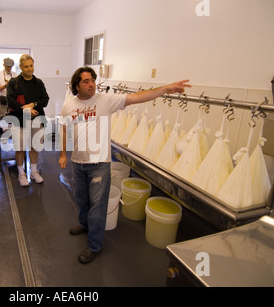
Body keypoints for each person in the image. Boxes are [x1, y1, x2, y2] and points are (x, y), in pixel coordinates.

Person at [58, 67, 190, 263]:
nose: (91, 84)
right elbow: (63, 128)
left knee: (97, 207)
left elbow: (137, 97)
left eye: (93, 79)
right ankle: (84, 225)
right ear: (77, 85)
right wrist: (63, 154)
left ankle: (94, 246)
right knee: (82, 200)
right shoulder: (69, 105)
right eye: (86, 81)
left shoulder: (105, 100)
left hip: (99, 165)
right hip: (78, 163)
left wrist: (164, 89)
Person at [7, 54, 50, 186]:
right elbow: (11, 101)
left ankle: (34, 171)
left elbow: (45, 100)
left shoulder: (38, 83)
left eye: (31, 66)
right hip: (19, 121)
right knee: (20, 148)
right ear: (20, 67)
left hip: (37, 120)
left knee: (34, 147)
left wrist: (34, 104)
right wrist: (26, 110)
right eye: (26, 66)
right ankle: (21, 174)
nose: (29, 69)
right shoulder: (14, 83)